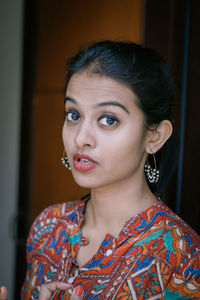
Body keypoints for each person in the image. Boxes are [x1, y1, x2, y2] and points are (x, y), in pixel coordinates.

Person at [1, 41, 200, 299]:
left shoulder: (183, 259)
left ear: (155, 137)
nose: (81, 138)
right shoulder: (48, 226)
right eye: (73, 114)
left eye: (108, 119)